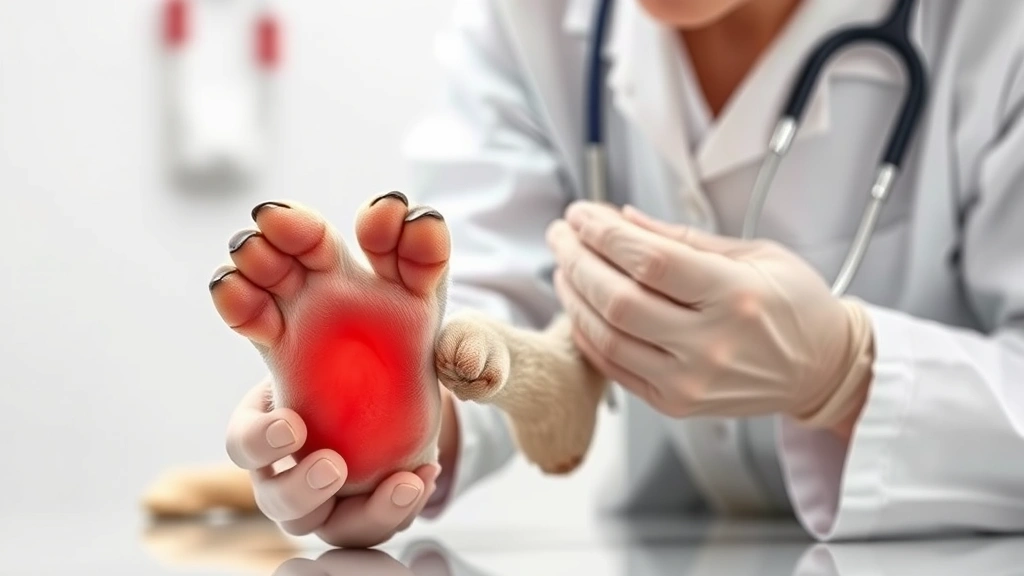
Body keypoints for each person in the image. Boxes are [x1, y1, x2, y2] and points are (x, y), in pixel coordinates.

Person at [144, 0, 1024, 545]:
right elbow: (484, 294)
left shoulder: (996, 32)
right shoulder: (524, 19)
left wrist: (852, 373)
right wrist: (411, 412)